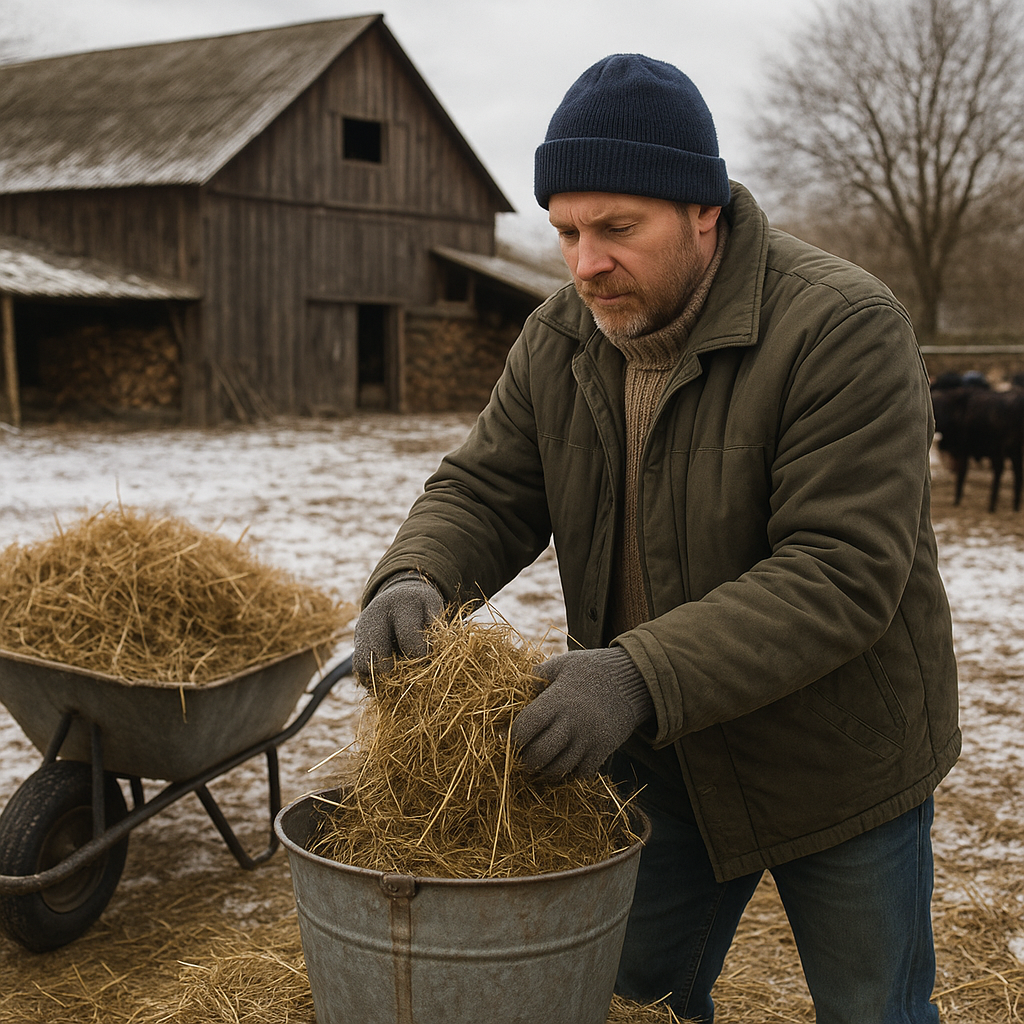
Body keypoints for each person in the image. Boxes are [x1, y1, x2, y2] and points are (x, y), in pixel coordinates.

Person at [353, 53, 959, 1024]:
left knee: (870, 1008)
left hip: (835, 755)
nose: (585, 261)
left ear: (703, 211)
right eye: (566, 232)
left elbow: (838, 573)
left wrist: (633, 673)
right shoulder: (562, 336)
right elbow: (489, 482)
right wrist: (416, 573)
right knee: (629, 995)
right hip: (659, 751)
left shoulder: (840, 327)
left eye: (617, 230)